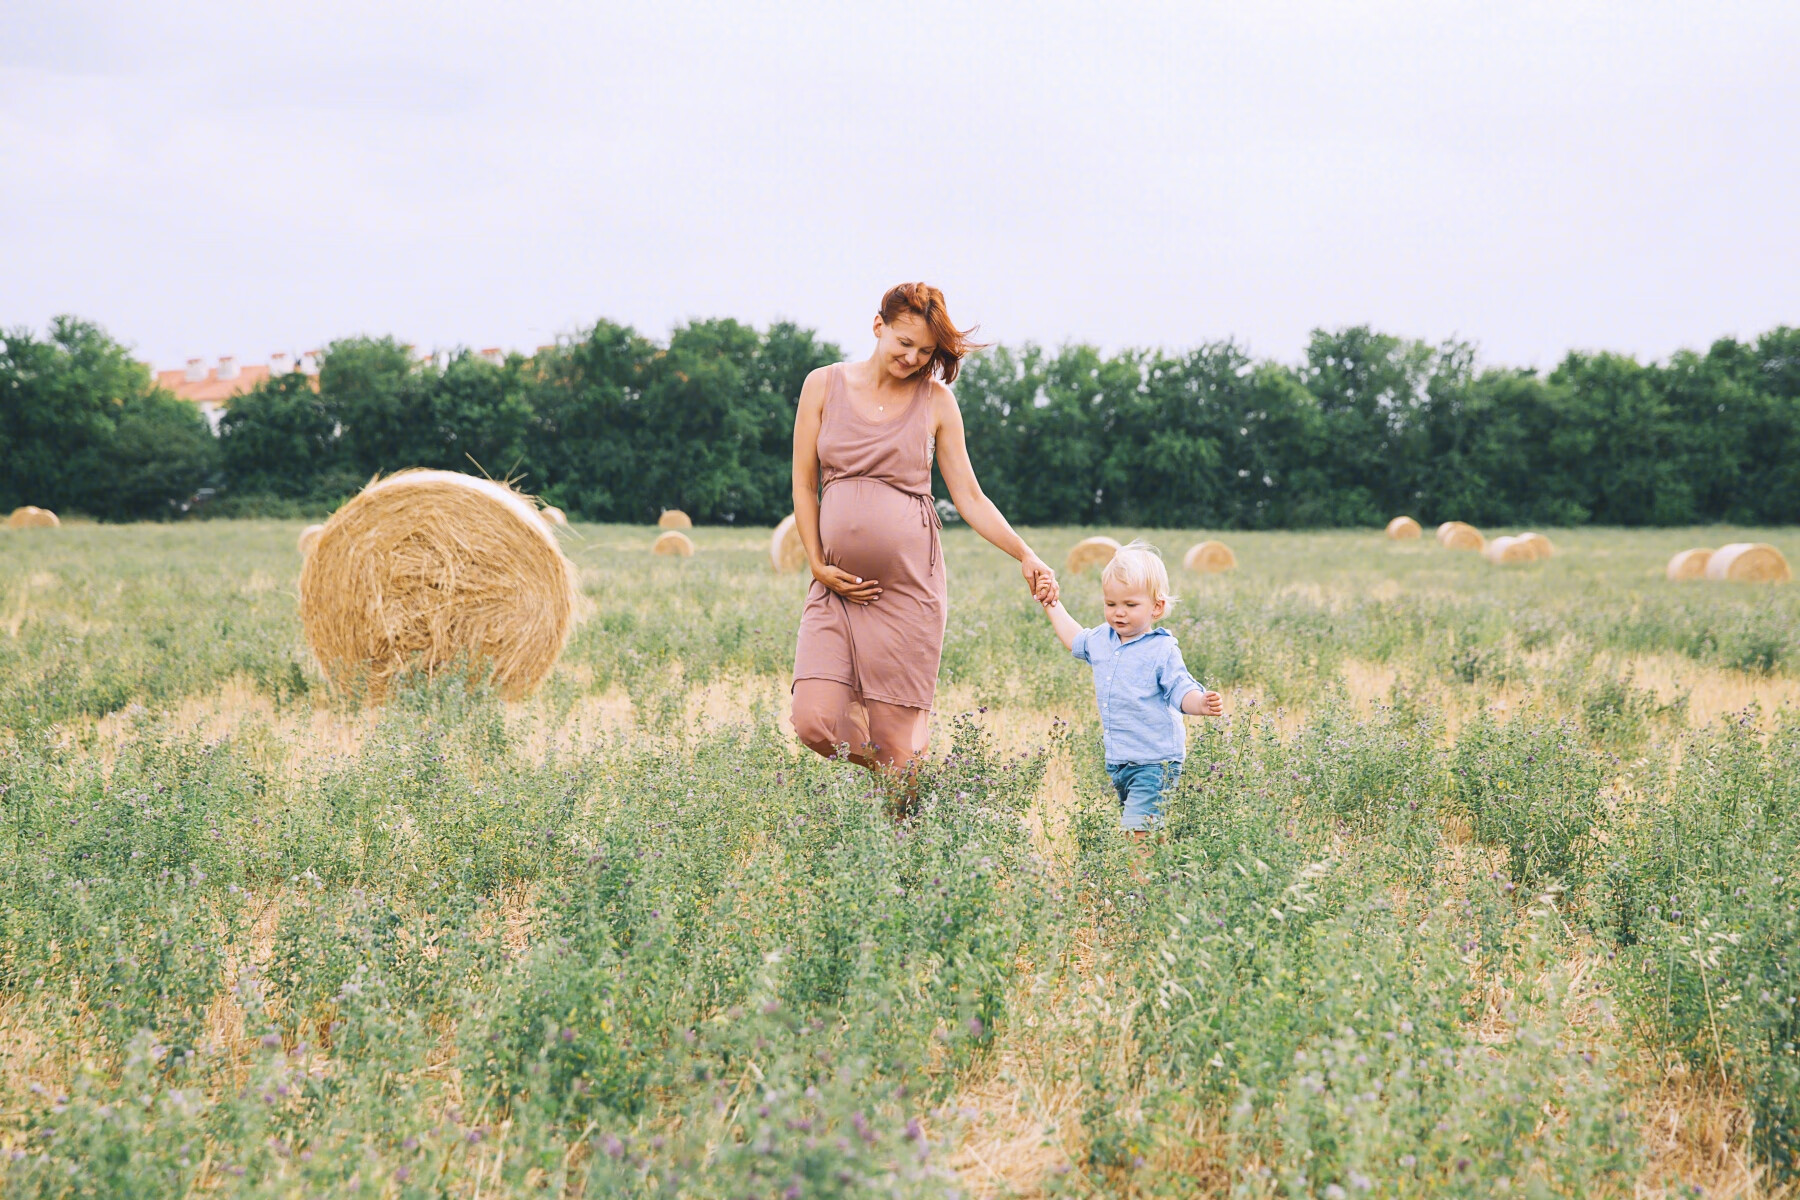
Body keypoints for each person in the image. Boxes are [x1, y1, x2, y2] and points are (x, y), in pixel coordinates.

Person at [790, 283, 1059, 782]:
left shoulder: (936, 402)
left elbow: (971, 497)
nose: (913, 358)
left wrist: (1025, 553)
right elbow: (804, 484)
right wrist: (816, 562)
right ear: (879, 326)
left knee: (898, 741)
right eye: (904, 343)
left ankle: (903, 826)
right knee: (812, 720)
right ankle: (900, 775)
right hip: (836, 588)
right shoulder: (822, 385)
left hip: (908, 592)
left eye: (926, 352)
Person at [1038, 540, 1224, 834]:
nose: (1118, 613)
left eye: (1130, 605)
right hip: (1120, 760)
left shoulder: (1161, 649)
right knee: (1146, 829)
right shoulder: (1102, 639)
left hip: (1156, 762)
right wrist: (1052, 603)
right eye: (1110, 604)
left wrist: (1199, 703)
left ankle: (1138, 881)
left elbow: (1179, 687)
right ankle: (1163, 873)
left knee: (1137, 832)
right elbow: (1074, 638)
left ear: (1157, 607)